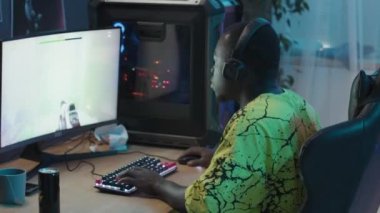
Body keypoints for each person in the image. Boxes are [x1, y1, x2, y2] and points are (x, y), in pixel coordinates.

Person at [117, 18, 321, 212]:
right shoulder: (297, 104)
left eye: (216, 62)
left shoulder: (251, 123)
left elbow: (208, 205)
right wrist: (222, 159)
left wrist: (156, 183)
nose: (212, 70)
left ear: (233, 70)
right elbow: (273, 164)